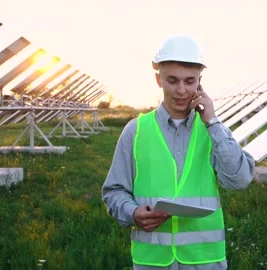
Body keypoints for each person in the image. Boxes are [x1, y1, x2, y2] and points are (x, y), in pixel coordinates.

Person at [102, 34, 255, 270]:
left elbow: (240, 180)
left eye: (190, 81)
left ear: (199, 82)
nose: (182, 90)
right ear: (158, 80)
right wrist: (133, 213)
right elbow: (114, 190)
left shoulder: (213, 131)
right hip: (153, 262)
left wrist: (213, 123)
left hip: (204, 260)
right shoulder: (136, 130)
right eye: (172, 80)